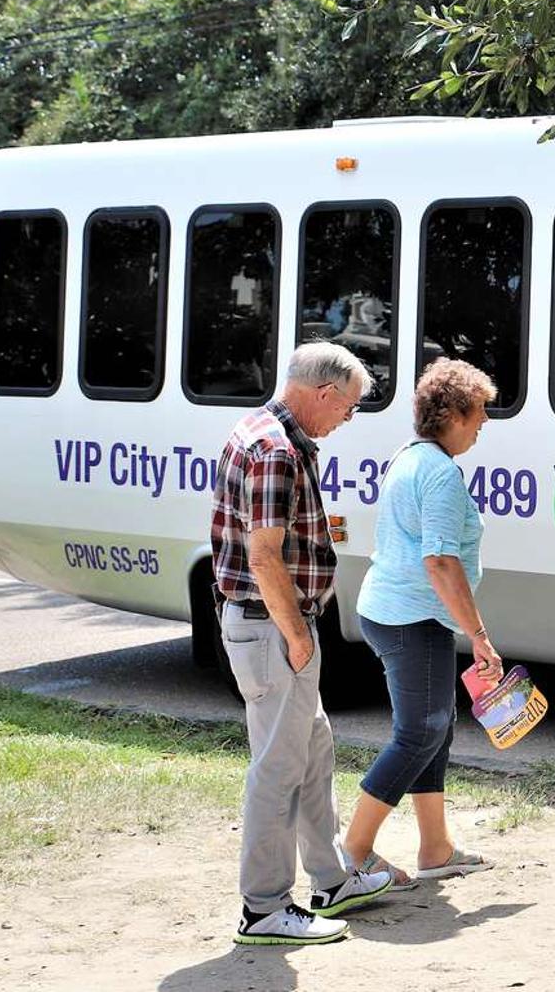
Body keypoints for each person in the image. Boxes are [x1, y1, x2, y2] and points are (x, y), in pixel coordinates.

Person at [212, 342, 394, 945]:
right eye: (351, 408)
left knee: (313, 748)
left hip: (273, 627)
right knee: (279, 767)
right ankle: (263, 907)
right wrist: (297, 636)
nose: (349, 419)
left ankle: (330, 880)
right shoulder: (275, 449)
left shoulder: (266, 432)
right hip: (272, 629)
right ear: (324, 394)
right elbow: (264, 556)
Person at [341, 359, 502, 889]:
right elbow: (440, 560)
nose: (483, 424)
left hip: (395, 612)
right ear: (454, 412)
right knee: (421, 732)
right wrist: (479, 636)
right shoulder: (439, 472)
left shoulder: (410, 457)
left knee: (437, 728)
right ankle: (354, 849)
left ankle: (436, 848)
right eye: (479, 413)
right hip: (413, 617)